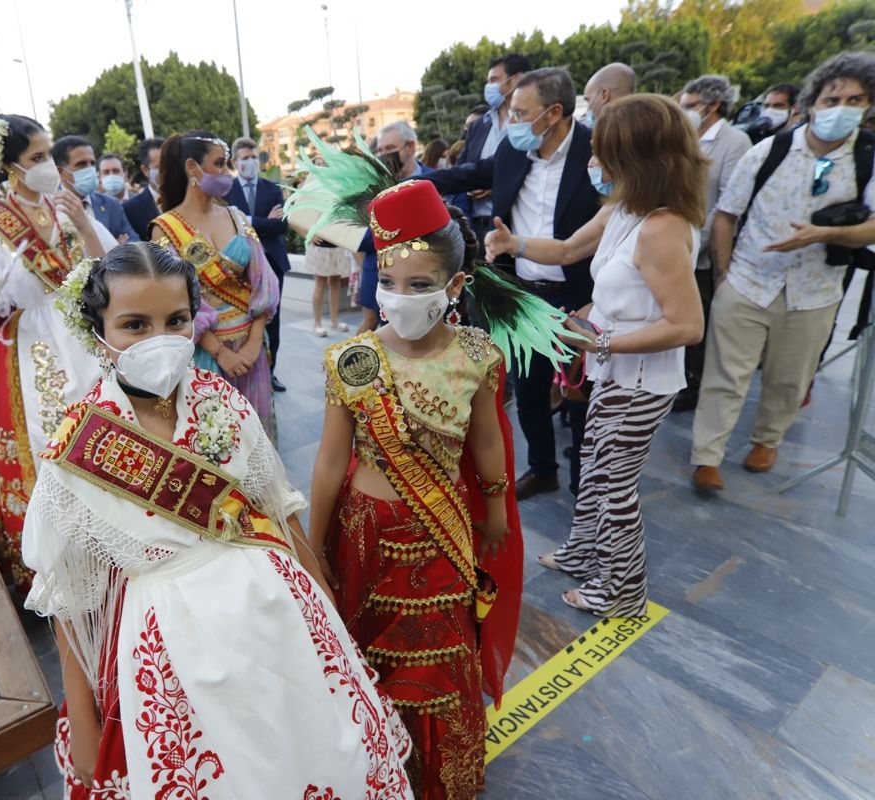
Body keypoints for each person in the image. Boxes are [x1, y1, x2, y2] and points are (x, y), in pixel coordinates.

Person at [22, 242, 412, 798]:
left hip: (273, 615)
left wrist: (325, 613)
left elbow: (279, 509)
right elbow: (67, 597)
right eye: (135, 324)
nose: (160, 339)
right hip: (169, 638)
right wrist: (84, 722)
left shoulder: (218, 399)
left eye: (176, 320)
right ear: (98, 331)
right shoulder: (81, 443)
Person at [289, 144, 570, 795]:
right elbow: (331, 461)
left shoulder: (476, 354)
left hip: (440, 531)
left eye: (420, 286)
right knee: (367, 652)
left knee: (442, 655)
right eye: (388, 283)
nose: (401, 297)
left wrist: (498, 508)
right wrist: (314, 544)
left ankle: (440, 774)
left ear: (455, 287)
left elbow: (488, 446)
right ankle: (378, 771)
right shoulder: (352, 360)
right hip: (363, 533)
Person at [486, 94, 707, 616]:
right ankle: (585, 550)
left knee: (614, 483)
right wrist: (515, 245)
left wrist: (598, 341)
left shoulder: (661, 228)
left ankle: (623, 590)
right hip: (613, 371)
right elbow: (564, 251)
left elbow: (687, 325)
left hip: (640, 381)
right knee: (594, 463)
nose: (592, 162)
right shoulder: (625, 209)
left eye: (602, 153)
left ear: (637, 159)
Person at [691, 52, 875, 493]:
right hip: (748, 280)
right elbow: (725, 215)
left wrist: (821, 234)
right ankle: (706, 456)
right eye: (832, 99)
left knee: (789, 377)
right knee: (724, 375)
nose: (841, 108)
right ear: (812, 103)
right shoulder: (770, 150)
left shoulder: (867, 159)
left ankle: (767, 439)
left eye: (855, 100)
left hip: (816, 290)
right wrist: (723, 274)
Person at [0, 113, 116, 594]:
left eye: (49, 154)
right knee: (52, 439)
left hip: (84, 330)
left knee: (107, 428)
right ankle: (65, 560)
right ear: (9, 165)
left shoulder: (68, 204)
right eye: (37, 158)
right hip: (33, 345)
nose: (50, 165)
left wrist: (84, 223)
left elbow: (107, 267)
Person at [425, 67, 601, 499]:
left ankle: (584, 483)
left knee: (581, 395)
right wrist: (415, 179)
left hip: (580, 297)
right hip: (523, 296)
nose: (513, 122)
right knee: (528, 391)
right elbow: (470, 173)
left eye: (521, 113)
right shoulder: (513, 151)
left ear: (554, 112)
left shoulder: (594, 153)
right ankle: (542, 468)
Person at [150, 131, 281, 437]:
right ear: (193, 167)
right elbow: (173, 303)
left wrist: (253, 341)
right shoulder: (164, 230)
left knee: (258, 431)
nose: (227, 173)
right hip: (205, 353)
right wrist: (222, 353)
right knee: (219, 438)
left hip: (252, 350)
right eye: (220, 164)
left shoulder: (237, 218)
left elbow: (262, 280)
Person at [674, 75, 753, 412]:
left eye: (691, 106)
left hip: (702, 252)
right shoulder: (683, 137)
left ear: (715, 105)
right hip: (677, 246)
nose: (686, 112)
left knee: (699, 319)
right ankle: (681, 379)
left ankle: (693, 385)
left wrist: (702, 246)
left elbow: (729, 203)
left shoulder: (735, 142)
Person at [353, 120, 433, 334]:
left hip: (424, 276)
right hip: (379, 271)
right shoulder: (369, 188)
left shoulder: (436, 180)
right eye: (380, 150)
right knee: (374, 330)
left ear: (410, 147)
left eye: (389, 149)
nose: (383, 155)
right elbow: (361, 236)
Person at [225, 137, 290, 392]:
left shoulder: (272, 188)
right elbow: (228, 225)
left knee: (272, 321)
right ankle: (246, 371)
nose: (250, 162)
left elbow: (283, 225)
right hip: (240, 266)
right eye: (245, 158)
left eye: (254, 157)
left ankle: (271, 373)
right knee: (244, 320)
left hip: (272, 263)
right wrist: (263, 221)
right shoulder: (226, 191)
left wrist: (246, 220)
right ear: (234, 161)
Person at [457, 54, 533, 242]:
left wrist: (493, 185)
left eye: (494, 80)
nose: (489, 87)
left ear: (516, 80)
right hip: (476, 227)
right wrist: (470, 185)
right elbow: (463, 167)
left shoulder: (530, 124)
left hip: (515, 228)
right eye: (488, 81)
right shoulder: (478, 125)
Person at [53, 135, 139, 244]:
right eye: (82, 164)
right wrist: (114, 247)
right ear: (61, 171)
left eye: (92, 163)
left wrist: (119, 251)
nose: (90, 169)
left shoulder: (111, 204)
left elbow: (134, 242)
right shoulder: (51, 207)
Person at [123, 137, 164, 237]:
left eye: (171, 164)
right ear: (145, 170)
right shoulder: (130, 209)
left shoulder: (185, 199)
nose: (167, 170)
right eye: (160, 166)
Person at [581, 62, 636, 128]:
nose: (588, 109)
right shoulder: (645, 129)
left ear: (604, 94)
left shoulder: (608, 135)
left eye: (588, 100)